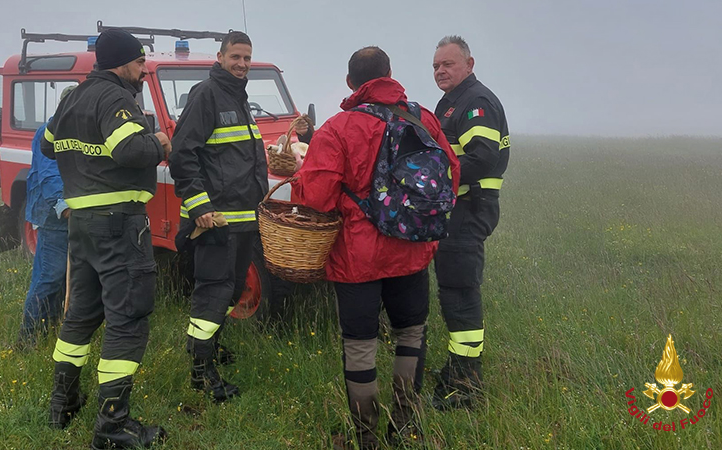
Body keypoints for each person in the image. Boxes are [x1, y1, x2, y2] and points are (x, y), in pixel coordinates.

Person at [290, 47, 460, 448]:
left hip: (357, 258)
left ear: (351, 83)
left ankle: (365, 435)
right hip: (413, 252)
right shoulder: (422, 118)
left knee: (361, 344)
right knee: (411, 335)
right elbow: (451, 172)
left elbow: (316, 198)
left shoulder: (337, 128)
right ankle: (404, 427)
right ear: (389, 75)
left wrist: (297, 178)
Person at [41, 28, 172, 449]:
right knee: (127, 319)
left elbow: (48, 145)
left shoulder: (72, 97)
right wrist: (160, 143)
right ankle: (112, 425)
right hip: (119, 225)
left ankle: (62, 403)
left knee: (80, 314)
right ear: (121, 63)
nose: (143, 70)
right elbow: (130, 151)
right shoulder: (117, 99)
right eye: (139, 63)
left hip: (82, 224)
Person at [168, 31, 267, 403]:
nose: (242, 64)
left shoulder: (239, 98)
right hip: (216, 221)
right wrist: (201, 207)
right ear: (221, 56)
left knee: (230, 289)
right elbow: (182, 154)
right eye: (235, 57)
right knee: (212, 292)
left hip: (242, 220)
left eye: (247, 58)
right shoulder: (207, 95)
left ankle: (209, 348)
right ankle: (201, 373)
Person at [429, 35, 510, 411]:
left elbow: (482, 158)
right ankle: (457, 369)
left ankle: (465, 386)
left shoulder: (476, 103)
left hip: (468, 208)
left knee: (460, 294)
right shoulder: (452, 103)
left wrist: (431, 180)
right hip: (455, 209)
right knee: (452, 290)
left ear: (469, 64)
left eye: (448, 64)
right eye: (436, 66)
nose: (441, 71)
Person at [16, 86, 75, 349]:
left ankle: (49, 329)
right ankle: (26, 340)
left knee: (63, 277)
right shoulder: (48, 133)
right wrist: (64, 207)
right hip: (52, 215)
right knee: (48, 276)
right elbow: (49, 176)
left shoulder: (78, 132)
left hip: (70, 212)